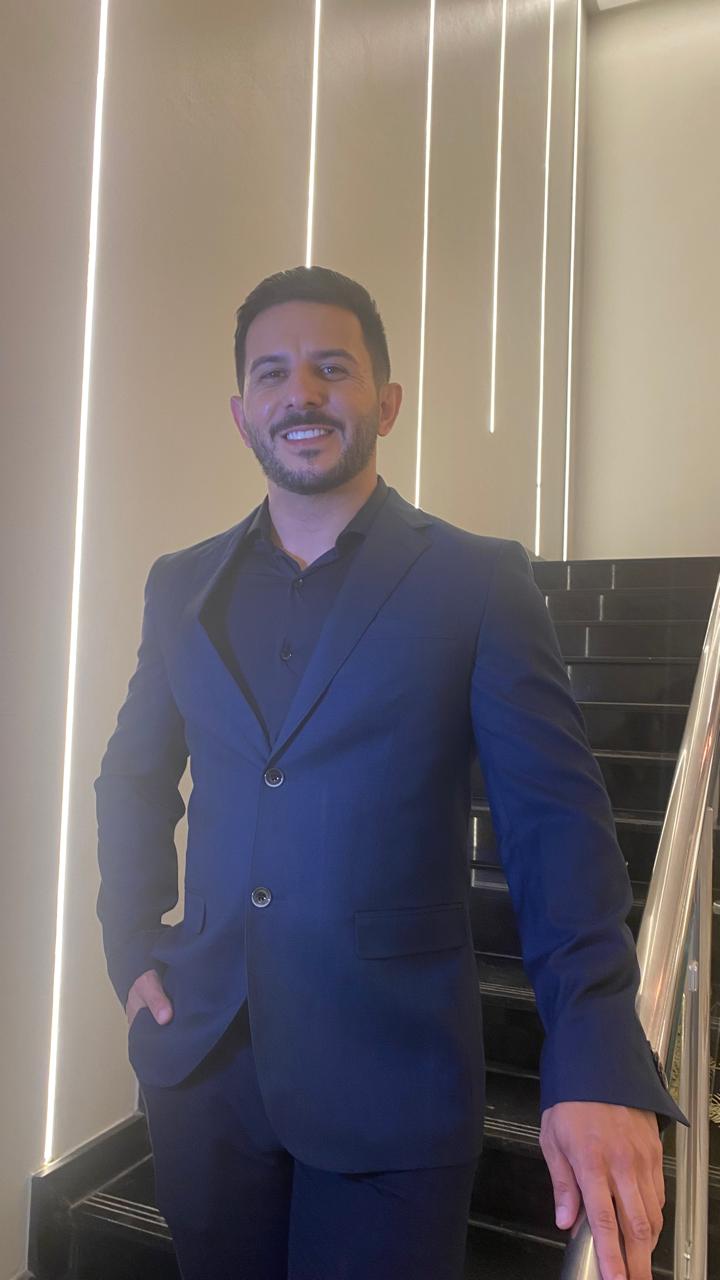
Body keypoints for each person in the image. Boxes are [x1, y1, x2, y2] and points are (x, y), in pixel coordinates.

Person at [95, 265, 684, 1280]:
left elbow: (555, 826)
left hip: (393, 1078)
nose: (302, 392)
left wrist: (592, 1045)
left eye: (333, 367)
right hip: (204, 1071)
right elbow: (132, 775)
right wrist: (130, 938)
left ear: (387, 400)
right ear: (242, 413)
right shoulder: (180, 584)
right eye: (273, 373)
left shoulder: (477, 580)